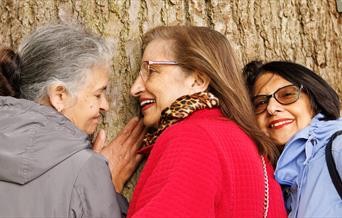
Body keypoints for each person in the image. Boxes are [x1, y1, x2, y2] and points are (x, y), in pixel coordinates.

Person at [127, 25, 287, 217]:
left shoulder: (191, 137)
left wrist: (101, 186)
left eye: (151, 71)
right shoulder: (252, 146)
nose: (135, 88)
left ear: (198, 80)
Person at [0, 24, 144, 217]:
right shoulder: (85, 169)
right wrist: (104, 188)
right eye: (98, 93)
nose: (105, 106)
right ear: (60, 95)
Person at [243, 60, 342, 217]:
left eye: (287, 94)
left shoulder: (338, 147)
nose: (271, 108)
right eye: (260, 103)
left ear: (313, 98)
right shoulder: (280, 180)